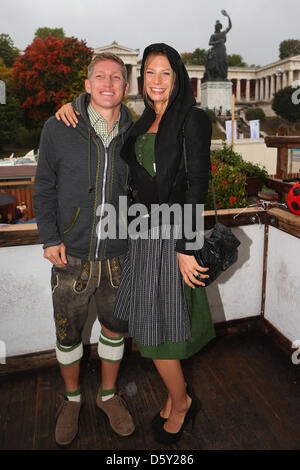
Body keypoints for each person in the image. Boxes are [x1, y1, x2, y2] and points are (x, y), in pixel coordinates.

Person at [112, 43, 215, 445]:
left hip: (172, 236)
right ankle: (178, 399)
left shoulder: (192, 118)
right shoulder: (142, 121)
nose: (156, 80)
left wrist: (187, 247)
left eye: (165, 73)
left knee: (159, 337)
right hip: (143, 235)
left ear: (178, 78)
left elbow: (197, 184)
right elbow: (103, 98)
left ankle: (182, 402)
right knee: (148, 327)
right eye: (150, 73)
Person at [33, 52, 135, 446]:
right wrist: (49, 237)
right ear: (88, 84)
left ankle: (108, 396)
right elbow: (43, 187)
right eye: (100, 77)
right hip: (70, 255)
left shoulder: (137, 131)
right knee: (68, 334)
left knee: (115, 329)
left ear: (126, 87)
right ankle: (72, 399)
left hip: (119, 255)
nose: (108, 83)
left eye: (116, 78)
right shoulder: (58, 127)